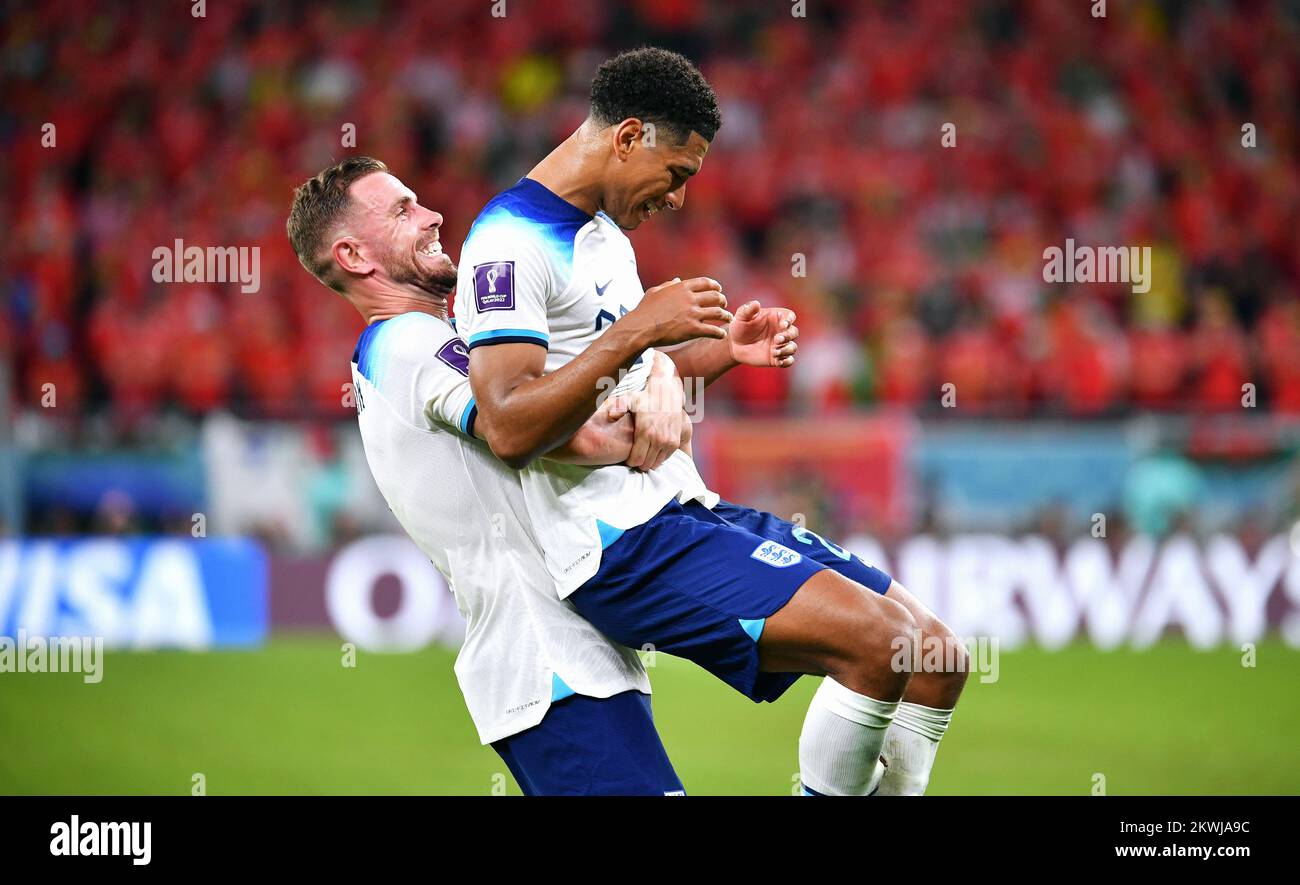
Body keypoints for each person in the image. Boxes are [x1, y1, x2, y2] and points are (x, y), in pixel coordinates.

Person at [458, 47, 969, 796]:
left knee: (936, 657)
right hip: (616, 545)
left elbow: (617, 376)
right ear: (629, 137)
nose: (677, 199)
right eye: (677, 174)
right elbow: (505, 420)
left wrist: (721, 351)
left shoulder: (604, 238)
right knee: (882, 645)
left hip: (682, 508)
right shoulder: (504, 247)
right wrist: (638, 329)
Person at [286, 157, 700, 784]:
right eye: (403, 210)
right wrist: (651, 400)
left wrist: (661, 370)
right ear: (353, 255)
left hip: (560, 662)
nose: (433, 216)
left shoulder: (421, 344)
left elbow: (576, 388)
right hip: (547, 658)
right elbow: (553, 429)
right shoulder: (409, 344)